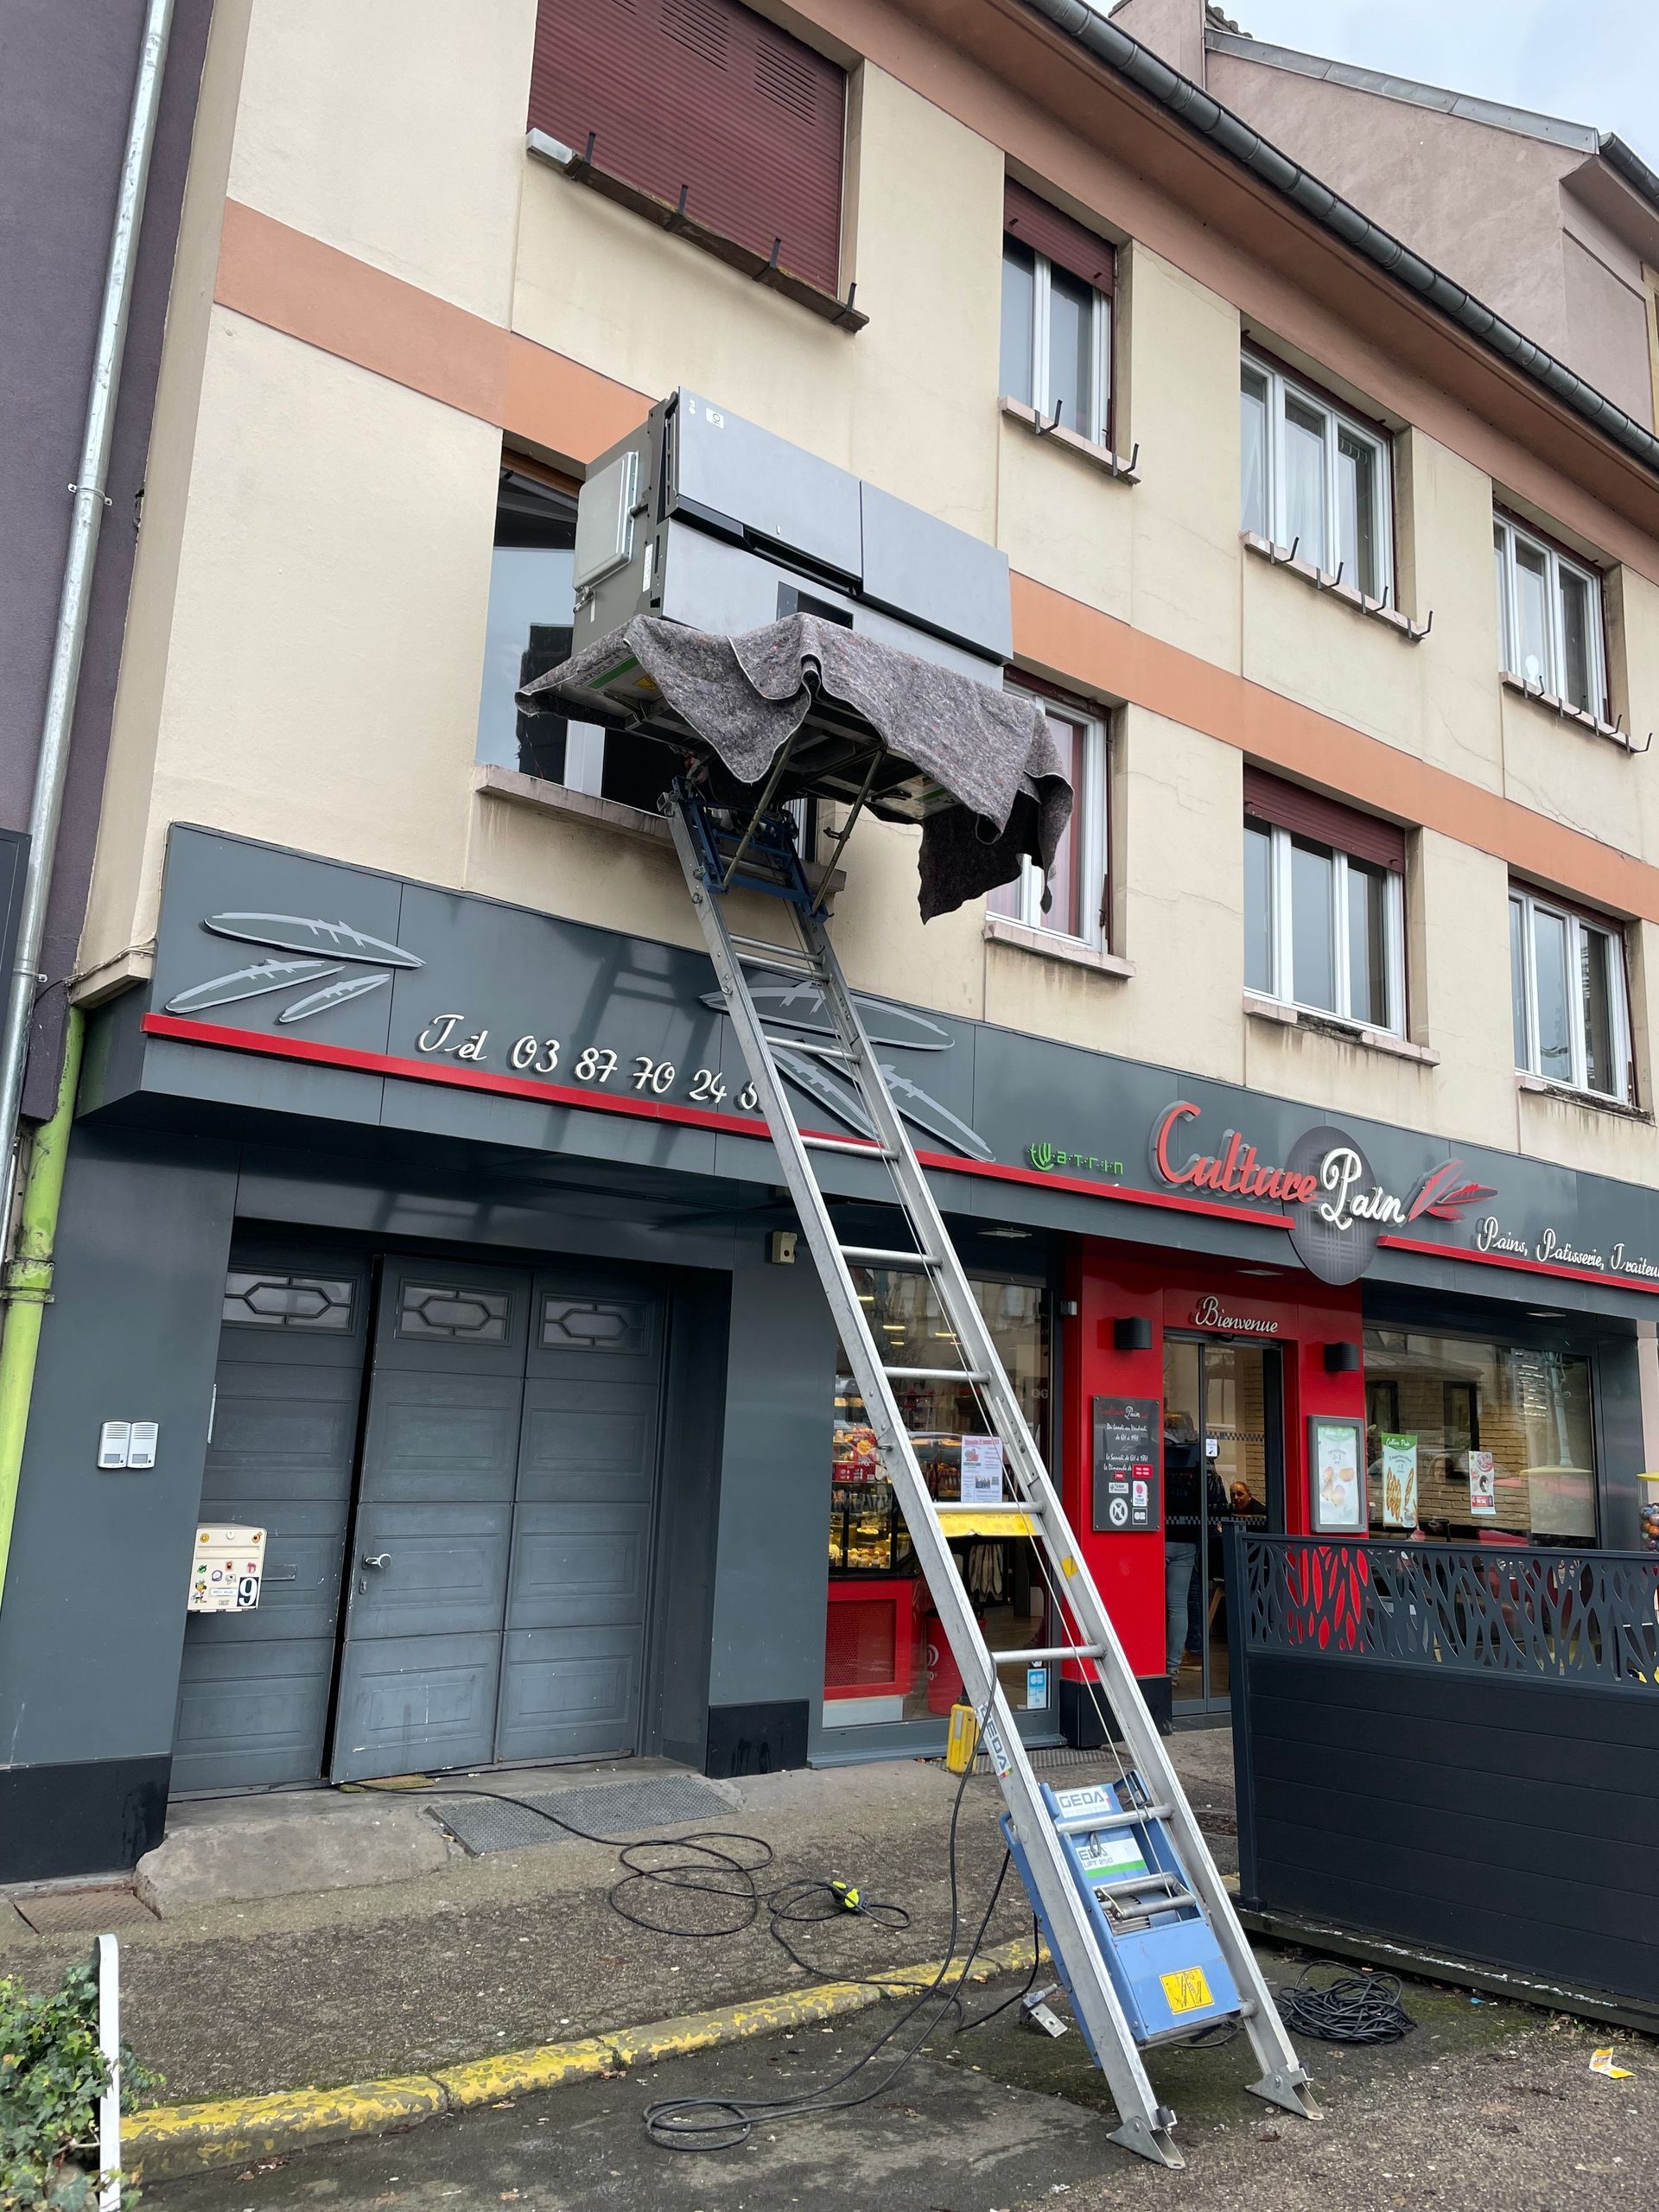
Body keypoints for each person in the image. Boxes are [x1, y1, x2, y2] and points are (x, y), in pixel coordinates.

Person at [1163, 1412, 1202, 1689]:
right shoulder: (1197, 1457)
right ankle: (1172, 1668)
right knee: (1177, 1607)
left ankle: (1149, 1664)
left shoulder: (1155, 1451)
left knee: (1153, 1604)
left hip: (1158, 1538)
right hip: (1188, 1540)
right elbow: (1215, 1497)